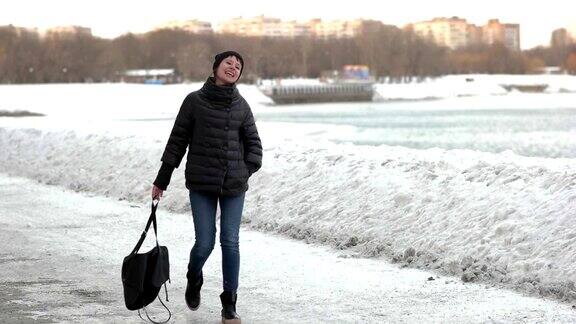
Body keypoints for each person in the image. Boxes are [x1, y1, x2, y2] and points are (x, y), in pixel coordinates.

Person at [151, 50, 262, 324]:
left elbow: (254, 145)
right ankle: (194, 275)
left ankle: (229, 304)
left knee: (230, 242)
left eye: (238, 66)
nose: (233, 67)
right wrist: (161, 180)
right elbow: (177, 141)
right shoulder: (194, 102)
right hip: (201, 183)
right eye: (228, 63)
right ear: (215, 68)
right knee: (205, 242)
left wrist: (246, 169)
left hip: (234, 185)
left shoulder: (242, 106)